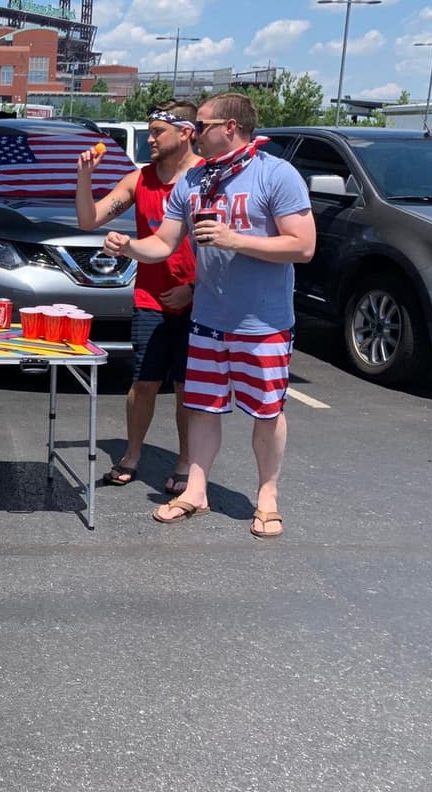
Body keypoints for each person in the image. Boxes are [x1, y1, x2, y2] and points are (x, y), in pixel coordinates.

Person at [102, 92, 315, 538]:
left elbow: (303, 246)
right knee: (202, 409)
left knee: (266, 412)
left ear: (230, 128)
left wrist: (235, 240)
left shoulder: (275, 174)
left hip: (263, 323)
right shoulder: (196, 180)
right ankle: (195, 491)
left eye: (202, 125)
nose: (194, 133)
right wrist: (129, 247)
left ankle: (267, 496)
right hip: (209, 320)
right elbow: (162, 243)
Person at [76, 101, 200, 494]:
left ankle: (185, 461)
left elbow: (228, 248)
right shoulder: (139, 179)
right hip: (150, 297)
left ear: (186, 132)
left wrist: (194, 288)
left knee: (187, 387)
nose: (149, 139)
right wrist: (84, 178)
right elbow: (88, 219)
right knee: (143, 382)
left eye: (157, 132)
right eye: (148, 131)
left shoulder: (205, 178)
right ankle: (131, 453)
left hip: (201, 300)